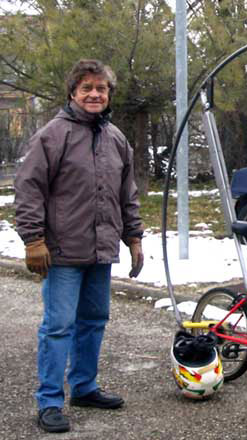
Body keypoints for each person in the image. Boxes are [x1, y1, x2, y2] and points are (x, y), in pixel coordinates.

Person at [14, 59, 144, 433]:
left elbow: (127, 194)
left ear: (108, 94)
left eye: (101, 88)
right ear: (72, 92)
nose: (94, 94)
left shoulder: (116, 138)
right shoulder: (52, 136)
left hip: (101, 251)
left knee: (94, 321)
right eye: (86, 88)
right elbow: (29, 189)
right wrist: (33, 240)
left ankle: (84, 387)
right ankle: (49, 401)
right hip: (61, 252)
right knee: (58, 327)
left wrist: (133, 238)